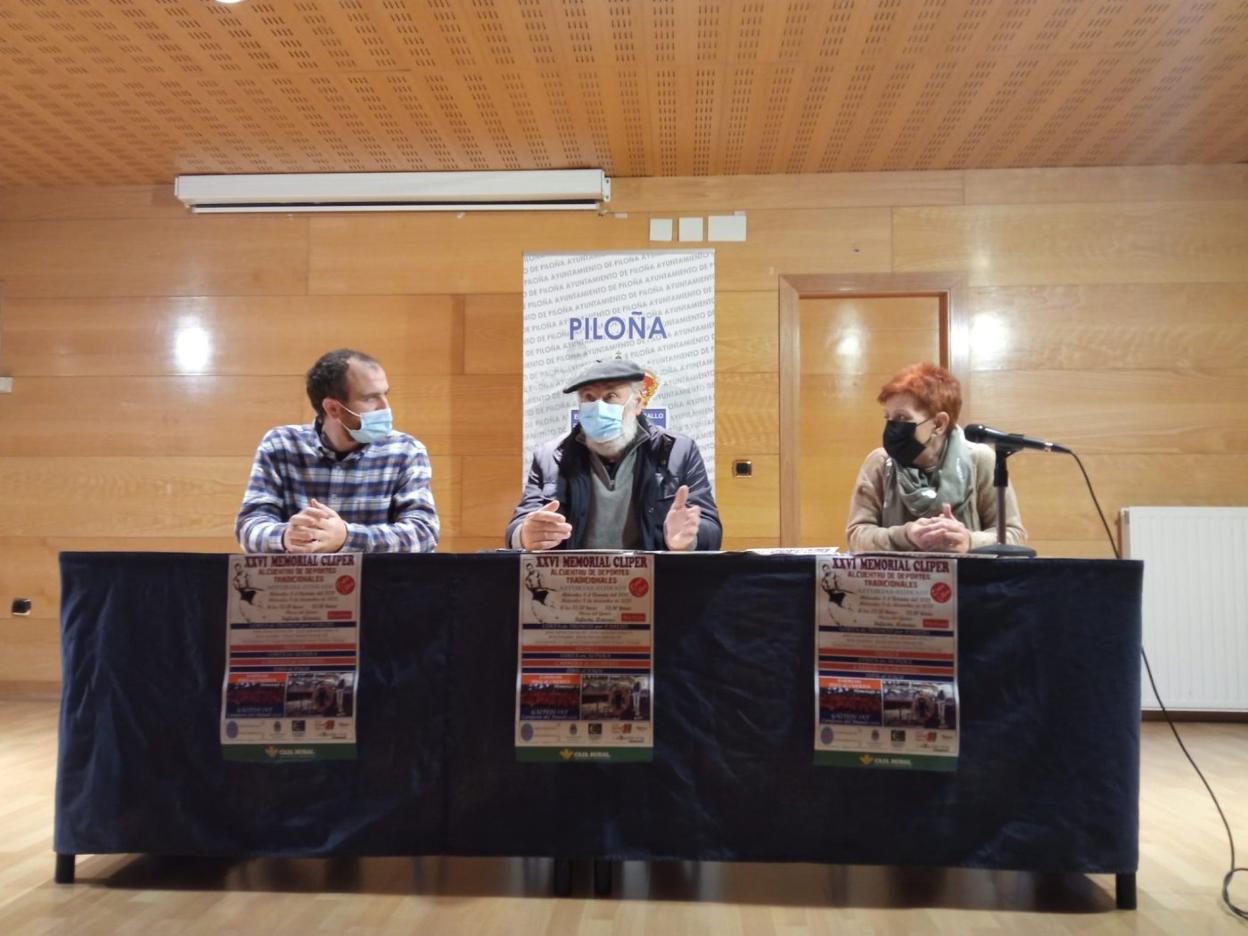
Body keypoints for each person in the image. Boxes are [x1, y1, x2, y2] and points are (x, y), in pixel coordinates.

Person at [506, 359, 722, 551]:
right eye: (589, 397)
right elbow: (517, 527)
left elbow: (711, 529)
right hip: (573, 580)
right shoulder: (551, 456)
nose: (598, 407)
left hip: (652, 579)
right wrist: (524, 535)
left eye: (610, 396)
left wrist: (686, 540)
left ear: (637, 403)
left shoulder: (677, 450)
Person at [236, 349, 439, 553]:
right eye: (370, 399)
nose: (385, 407)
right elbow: (249, 527)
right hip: (301, 573)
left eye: (385, 394)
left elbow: (424, 532)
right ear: (333, 408)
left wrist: (347, 537)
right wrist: (286, 536)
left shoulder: (406, 450)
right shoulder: (281, 444)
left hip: (377, 575)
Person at [846, 362, 1025, 553]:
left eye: (901, 418)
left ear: (939, 424)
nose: (892, 427)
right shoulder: (880, 462)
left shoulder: (980, 460)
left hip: (967, 572)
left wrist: (969, 541)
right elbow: (856, 535)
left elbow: (1013, 535)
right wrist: (906, 535)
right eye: (888, 417)